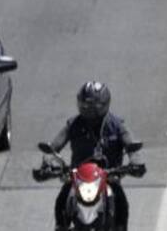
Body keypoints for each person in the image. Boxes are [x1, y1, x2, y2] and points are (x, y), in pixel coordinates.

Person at [49, 81, 139, 231]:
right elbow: (54, 146)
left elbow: (131, 145)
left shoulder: (117, 125)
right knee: (63, 197)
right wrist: (49, 161)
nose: (88, 110)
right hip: (79, 178)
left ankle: (120, 227)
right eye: (84, 105)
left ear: (103, 104)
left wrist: (135, 161)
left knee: (120, 200)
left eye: (93, 106)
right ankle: (60, 226)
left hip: (109, 177)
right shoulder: (74, 124)